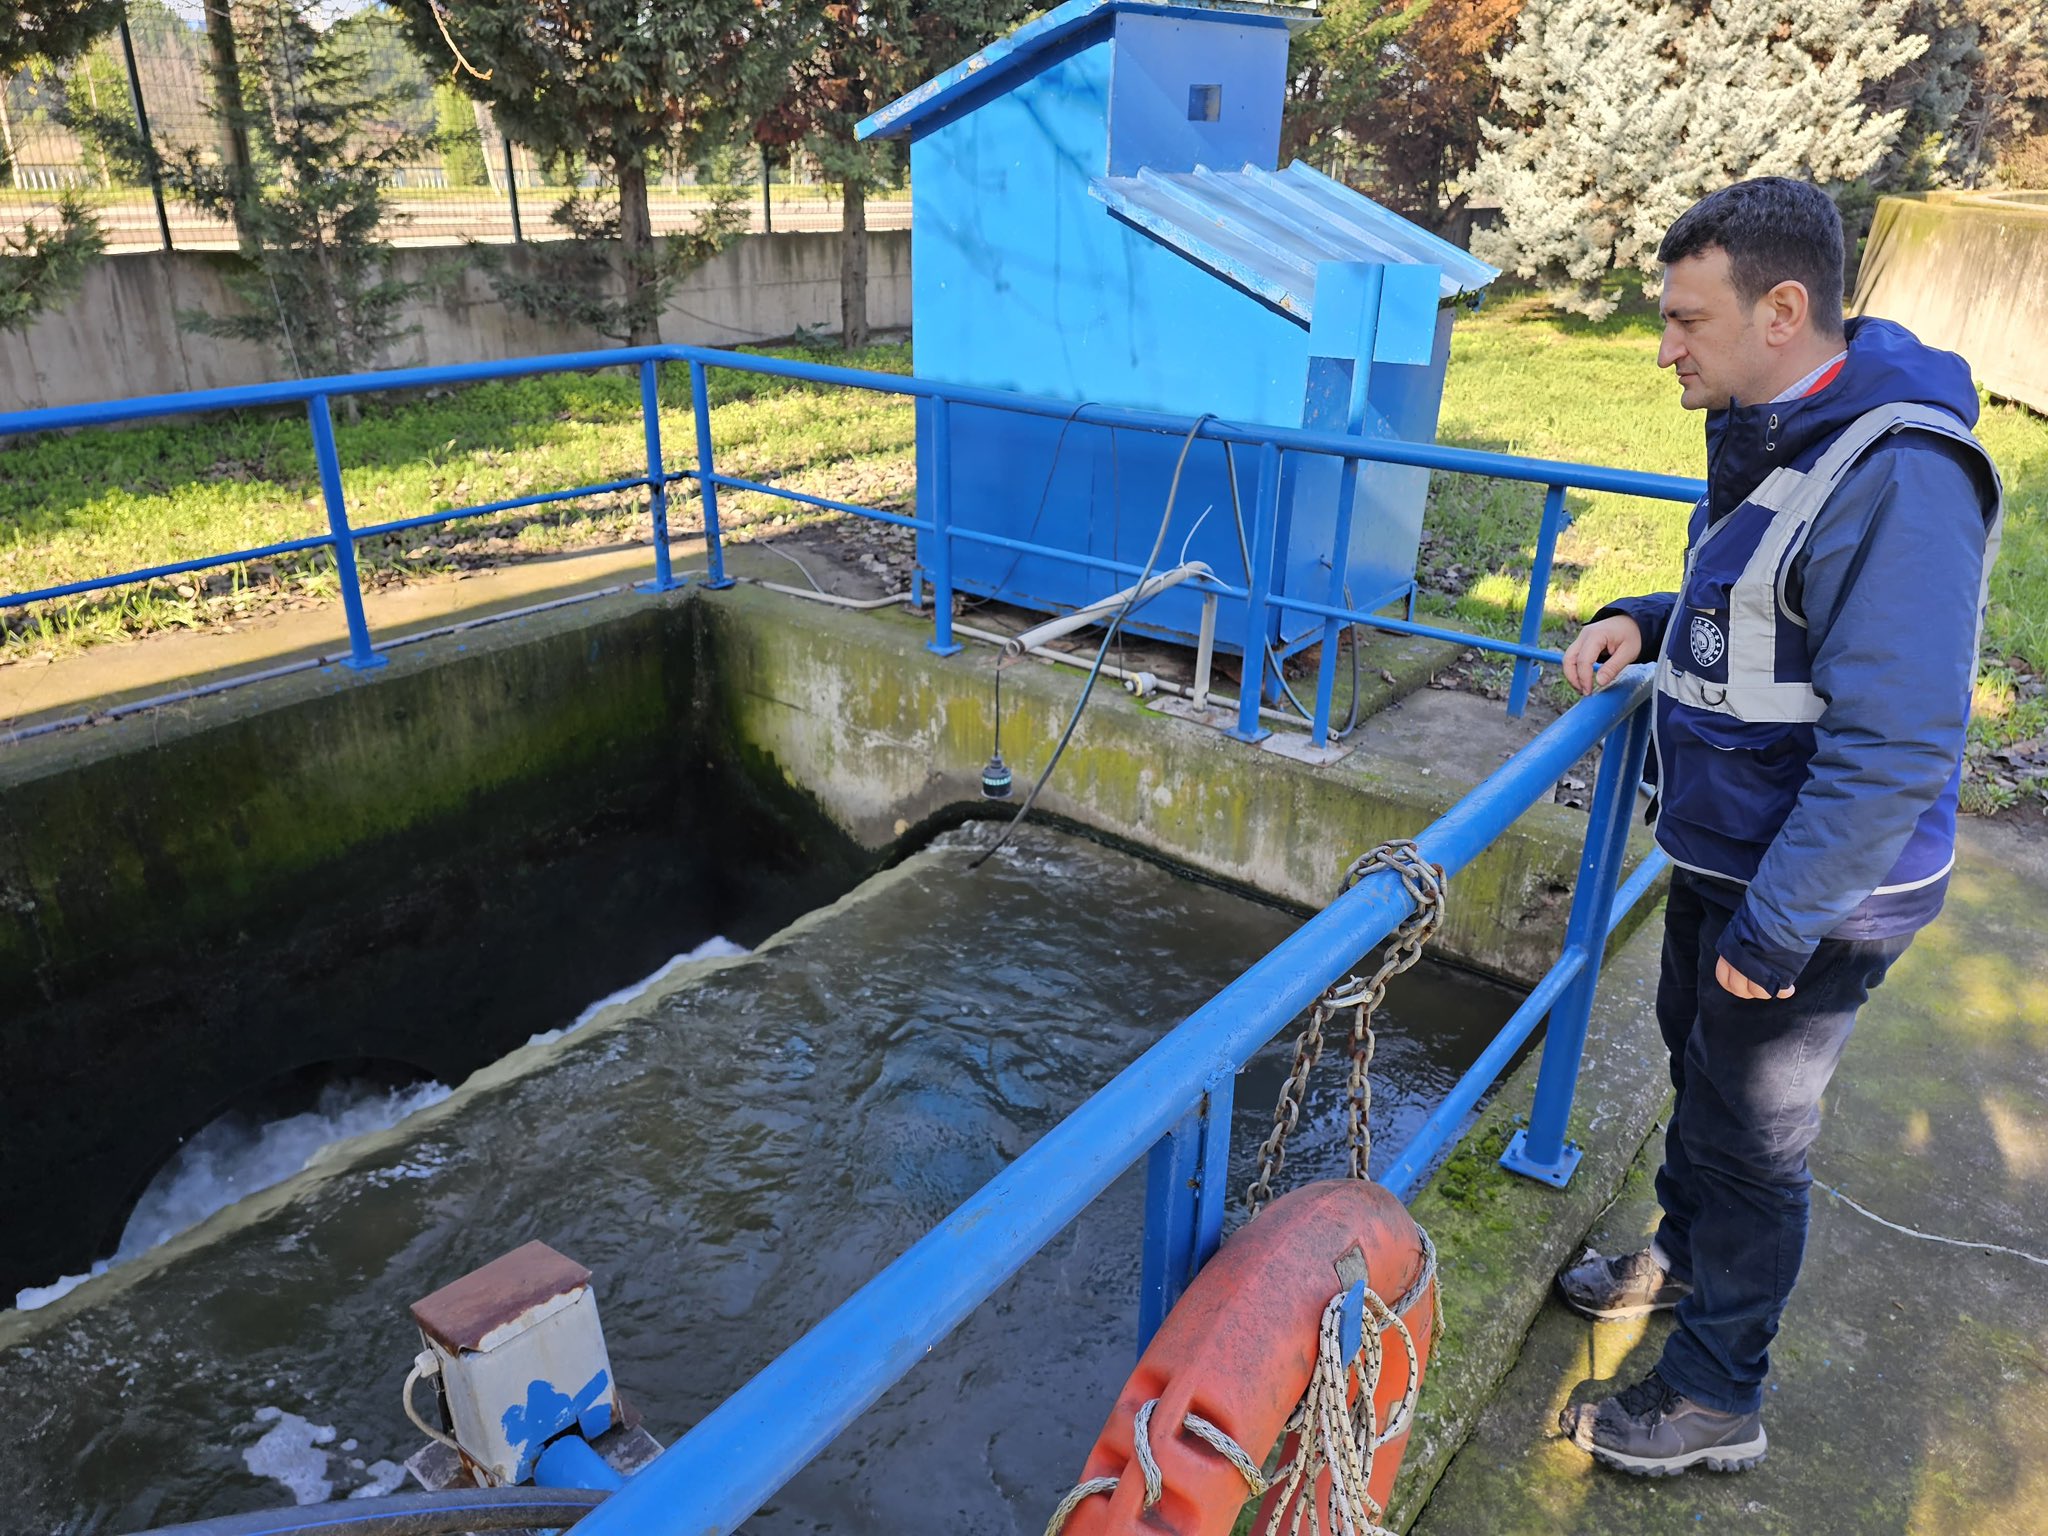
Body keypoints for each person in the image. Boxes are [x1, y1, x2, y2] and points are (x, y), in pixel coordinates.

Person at [1552, 177, 2004, 1478]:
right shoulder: (1778, 424)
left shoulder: (1897, 472)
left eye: (1686, 319)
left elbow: (1900, 741)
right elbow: (1757, 593)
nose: (1663, 346)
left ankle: (1712, 1400)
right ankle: (1682, 1265)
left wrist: (1779, 923)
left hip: (1810, 890)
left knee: (1755, 1145)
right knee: (1702, 1086)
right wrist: (1647, 610)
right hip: (1735, 856)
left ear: (1783, 309)